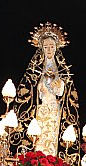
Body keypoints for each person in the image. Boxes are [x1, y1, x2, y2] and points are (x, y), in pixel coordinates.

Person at [13, 23, 78, 156]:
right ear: (41, 48)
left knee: (52, 133)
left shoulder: (62, 69)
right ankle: (35, 159)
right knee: (39, 135)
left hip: (55, 108)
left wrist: (59, 86)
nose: (49, 50)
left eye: (52, 47)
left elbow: (67, 93)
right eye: (46, 47)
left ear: (56, 48)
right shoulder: (35, 69)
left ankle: (52, 160)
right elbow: (27, 89)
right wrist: (40, 88)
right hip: (39, 108)